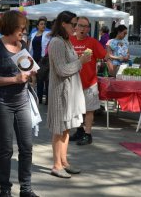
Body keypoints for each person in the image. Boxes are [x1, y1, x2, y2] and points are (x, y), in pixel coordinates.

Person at [0, 10, 39, 197]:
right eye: (21, 27)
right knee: (6, 148)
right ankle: (5, 190)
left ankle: (26, 188)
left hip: (22, 100)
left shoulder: (22, 44)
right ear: (10, 27)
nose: (24, 31)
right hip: (2, 102)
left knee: (27, 146)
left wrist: (31, 73)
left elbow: (27, 67)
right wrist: (15, 79)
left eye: (24, 28)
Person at [46, 11, 91, 179]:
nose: (76, 28)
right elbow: (62, 70)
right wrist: (81, 62)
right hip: (60, 93)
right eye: (74, 24)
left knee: (65, 130)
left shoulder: (66, 41)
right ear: (63, 24)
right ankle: (56, 165)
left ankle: (64, 162)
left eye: (78, 24)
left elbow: (68, 65)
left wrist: (79, 60)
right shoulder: (57, 42)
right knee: (59, 130)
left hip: (69, 92)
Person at [69, 16, 107, 145]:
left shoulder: (93, 42)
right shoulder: (69, 41)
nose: (83, 29)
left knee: (89, 110)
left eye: (85, 26)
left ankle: (88, 134)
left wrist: (114, 55)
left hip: (90, 82)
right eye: (80, 25)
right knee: (75, 109)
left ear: (89, 28)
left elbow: (104, 55)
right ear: (75, 26)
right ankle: (79, 130)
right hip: (74, 82)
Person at [29, 16, 51, 104]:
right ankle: (39, 98)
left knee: (46, 79)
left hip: (44, 59)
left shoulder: (48, 33)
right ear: (37, 26)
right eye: (41, 24)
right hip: (34, 58)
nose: (43, 25)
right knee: (38, 79)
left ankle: (47, 100)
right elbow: (30, 46)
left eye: (44, 24)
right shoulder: (33, 33)